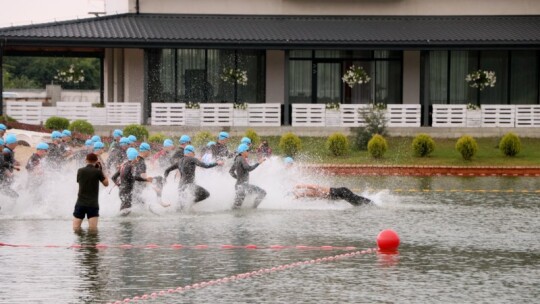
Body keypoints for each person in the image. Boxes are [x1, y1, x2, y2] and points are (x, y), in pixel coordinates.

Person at [72, 153, 109, 231]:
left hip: (80, 203)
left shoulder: (80, 170)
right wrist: (101, 171)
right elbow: (106, 184)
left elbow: (79, 181)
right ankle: (91, 242)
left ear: (86, 160)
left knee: (76, 227)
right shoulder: (97, 172)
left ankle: (79, 242)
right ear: (96, 161)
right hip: (93, 204)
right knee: (93, 229)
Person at [111, 148, 153, 215]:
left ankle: (121, 223)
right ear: (135, 157)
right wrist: (146, 179)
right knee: (126, 211)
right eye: (137, 157)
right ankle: (122, 223)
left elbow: (113, 177)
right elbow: (133, 177)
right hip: (126, 192)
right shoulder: (130, 166)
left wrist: (119, 185)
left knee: (124, 210)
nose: (138, 159)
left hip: (122, 191)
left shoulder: (123, 165)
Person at [229, 143, 266, 209]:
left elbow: (231, 171)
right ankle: (253, 208)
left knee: (236, 208)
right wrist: (258, 163)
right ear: (243, 152)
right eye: (247, 150)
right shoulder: (242, 159)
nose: (248, 152)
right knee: (263, 193)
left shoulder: (237, 158)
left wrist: (238, 178)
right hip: (243, 186)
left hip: (239, 186)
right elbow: (249, 168)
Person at [293, 184, 373, 206]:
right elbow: (304, 194)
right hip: (342, 195)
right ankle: (370, 203)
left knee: (356, 201)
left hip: (342, 192)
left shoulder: (316, 190)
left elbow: (314, 186)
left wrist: (299, 186)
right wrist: (297, 196)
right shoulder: (313, 194)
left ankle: (371, 203)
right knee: (356, 202)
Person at [1, 134, 19, 199]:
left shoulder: (9, 150)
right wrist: (9, 173)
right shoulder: (6, 151)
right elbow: (3, 165)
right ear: (12, 143)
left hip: (6, 176)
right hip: (4, 177)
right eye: (16, 143)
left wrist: (14, 161)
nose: (17, 144)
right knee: (14, 196)